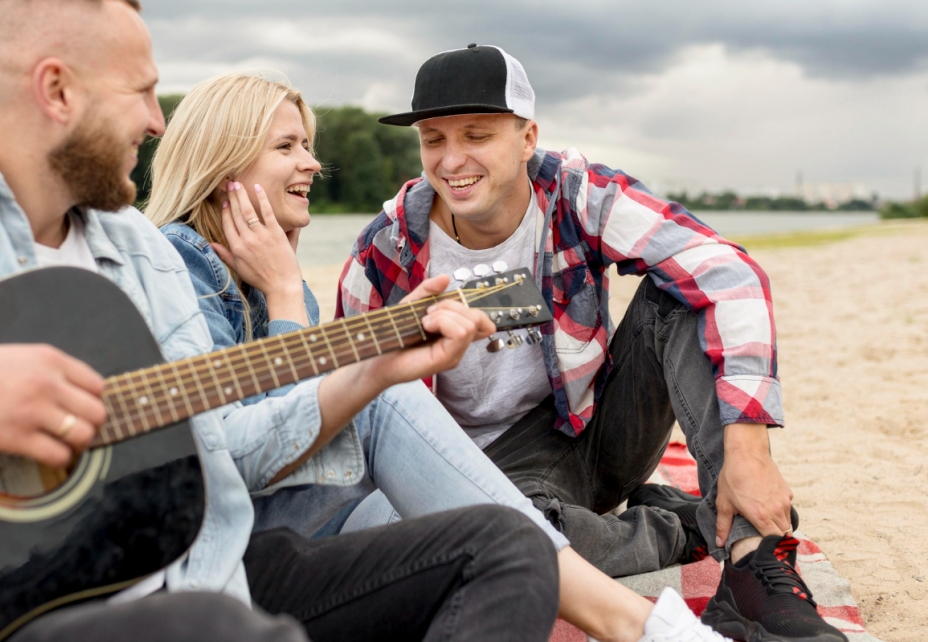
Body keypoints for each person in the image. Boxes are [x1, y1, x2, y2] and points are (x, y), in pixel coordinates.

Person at [0, 0, 557, 642]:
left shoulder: (137, 253)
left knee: (504, 546)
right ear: (57, 90)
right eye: (140, 92)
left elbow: (220, 447)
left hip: (178, 580)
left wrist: (370, 372)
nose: (157, 121)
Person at [144, 72, 730, 642]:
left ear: (527, 140)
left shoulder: (257, 275)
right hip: (234, 531)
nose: (312, 164)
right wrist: (287, 298)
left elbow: (308, 441)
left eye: (308, 145)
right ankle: (635, 612)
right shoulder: (182, 265)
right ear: (225, 162)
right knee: (415, 427)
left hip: (334, 507)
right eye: (287, 146)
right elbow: (245, 456)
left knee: (473, 518)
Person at [337, 44, 848, 642]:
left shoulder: (578, 195)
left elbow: (729, 274)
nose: (452, 161)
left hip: (596, 428)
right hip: (489, 475)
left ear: (527, 138)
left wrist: (750, 453)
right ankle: (683, 528)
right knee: (509, 543)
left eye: (476, 135)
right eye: (433, 140)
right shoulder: (388, 248)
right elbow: (355, 402)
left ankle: (751, 557)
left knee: (680, 292)